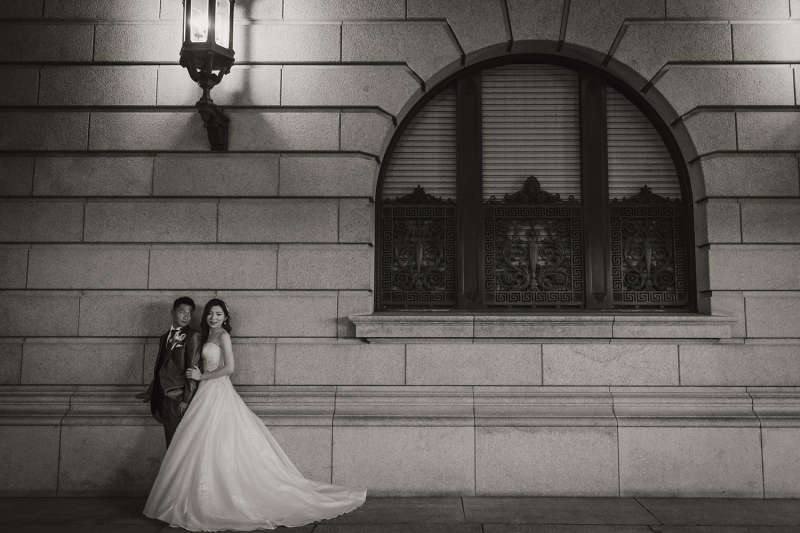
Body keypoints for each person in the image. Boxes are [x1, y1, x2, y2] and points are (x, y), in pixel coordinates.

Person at [143, 298, 366, 530]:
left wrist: (202, 377)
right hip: (203, 394)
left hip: (217, 390)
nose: (214, 318)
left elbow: (229, 369)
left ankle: (222, 497)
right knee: (199, 443)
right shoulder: (204, 336)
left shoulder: (223, 336)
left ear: (225, 318)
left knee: (221, 443)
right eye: (210, 313)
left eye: (218, 314)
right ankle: (198, 496)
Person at [136, 297, 203, 447]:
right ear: (173, 312)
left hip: (177, 399)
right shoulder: (165, 337)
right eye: (182, 312)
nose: (186, 317)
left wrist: (186, 400)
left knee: (177, 445)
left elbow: (193, 371)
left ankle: (176, 471)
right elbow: (162, 367)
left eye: (190, 313)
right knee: (170, 442)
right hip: (162, 397)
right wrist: (151, 391)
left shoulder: (193, 336)